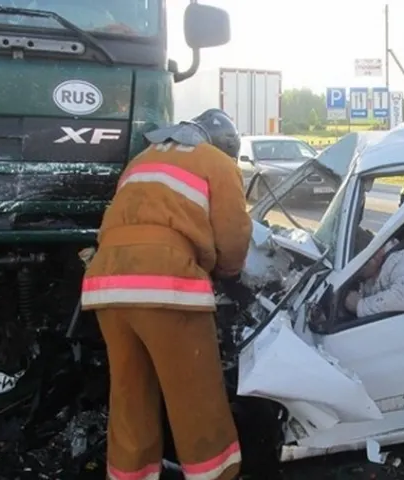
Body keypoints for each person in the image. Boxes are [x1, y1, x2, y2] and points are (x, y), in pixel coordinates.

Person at [80, 108, 251, 480]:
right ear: (224, 146)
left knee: (130, 394)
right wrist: (229, 275)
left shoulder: (141, 161)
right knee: (195, 397)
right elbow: (234, 233)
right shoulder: (216, 162)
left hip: (106, 285)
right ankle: (216, 475)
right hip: (164, 285)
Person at [344, 228, 404, 317]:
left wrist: (360, 306)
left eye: (360, 270)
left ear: (375, 256)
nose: (357, 275)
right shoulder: (376, 266)